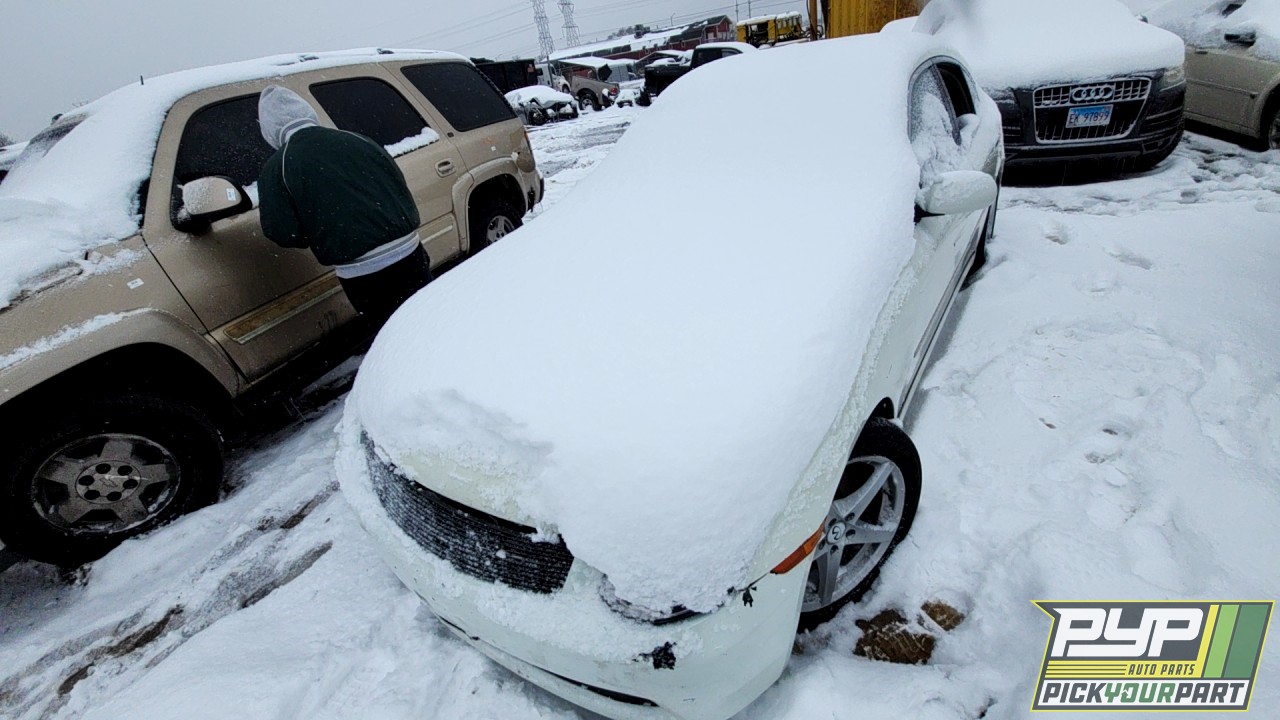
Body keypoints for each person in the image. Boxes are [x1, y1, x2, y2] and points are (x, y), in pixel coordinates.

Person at [256, 85, 431, 330]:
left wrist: (318, 232)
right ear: (307, 112)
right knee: (430, 318)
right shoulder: (356, 138)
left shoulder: (278, 168)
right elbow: (395, 182)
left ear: (268, 129)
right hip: (410, 253)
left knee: (392, 332)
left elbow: (281, 230)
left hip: (363, 274)